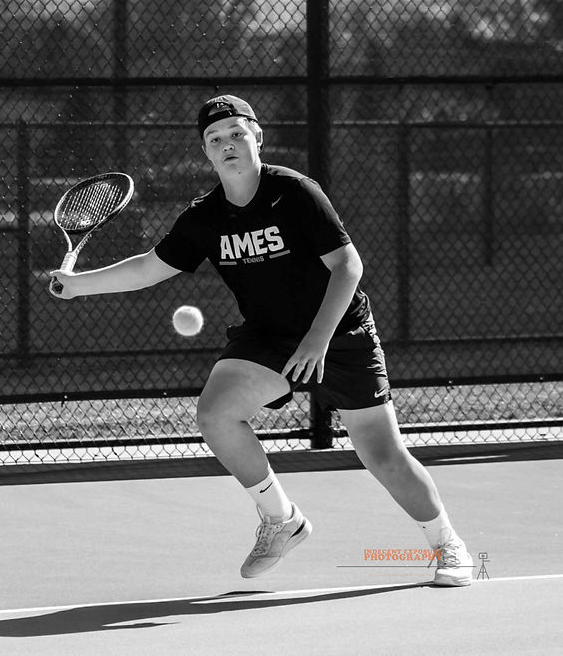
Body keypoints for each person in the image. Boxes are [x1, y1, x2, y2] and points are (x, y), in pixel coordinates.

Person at [49, 95, 473, 586]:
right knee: (216, 412)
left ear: (257, 137)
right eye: (215, 139)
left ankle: (448, 544)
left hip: (339, 331)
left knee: (382, 456)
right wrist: (79, 285)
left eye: (236, 133)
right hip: (269, 336)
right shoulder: (204, 217)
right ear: (206, 154)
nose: (227, 144)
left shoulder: (295, 191)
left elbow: (348, 266)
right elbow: (150, 266)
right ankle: (281, 519)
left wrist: (317, 339)